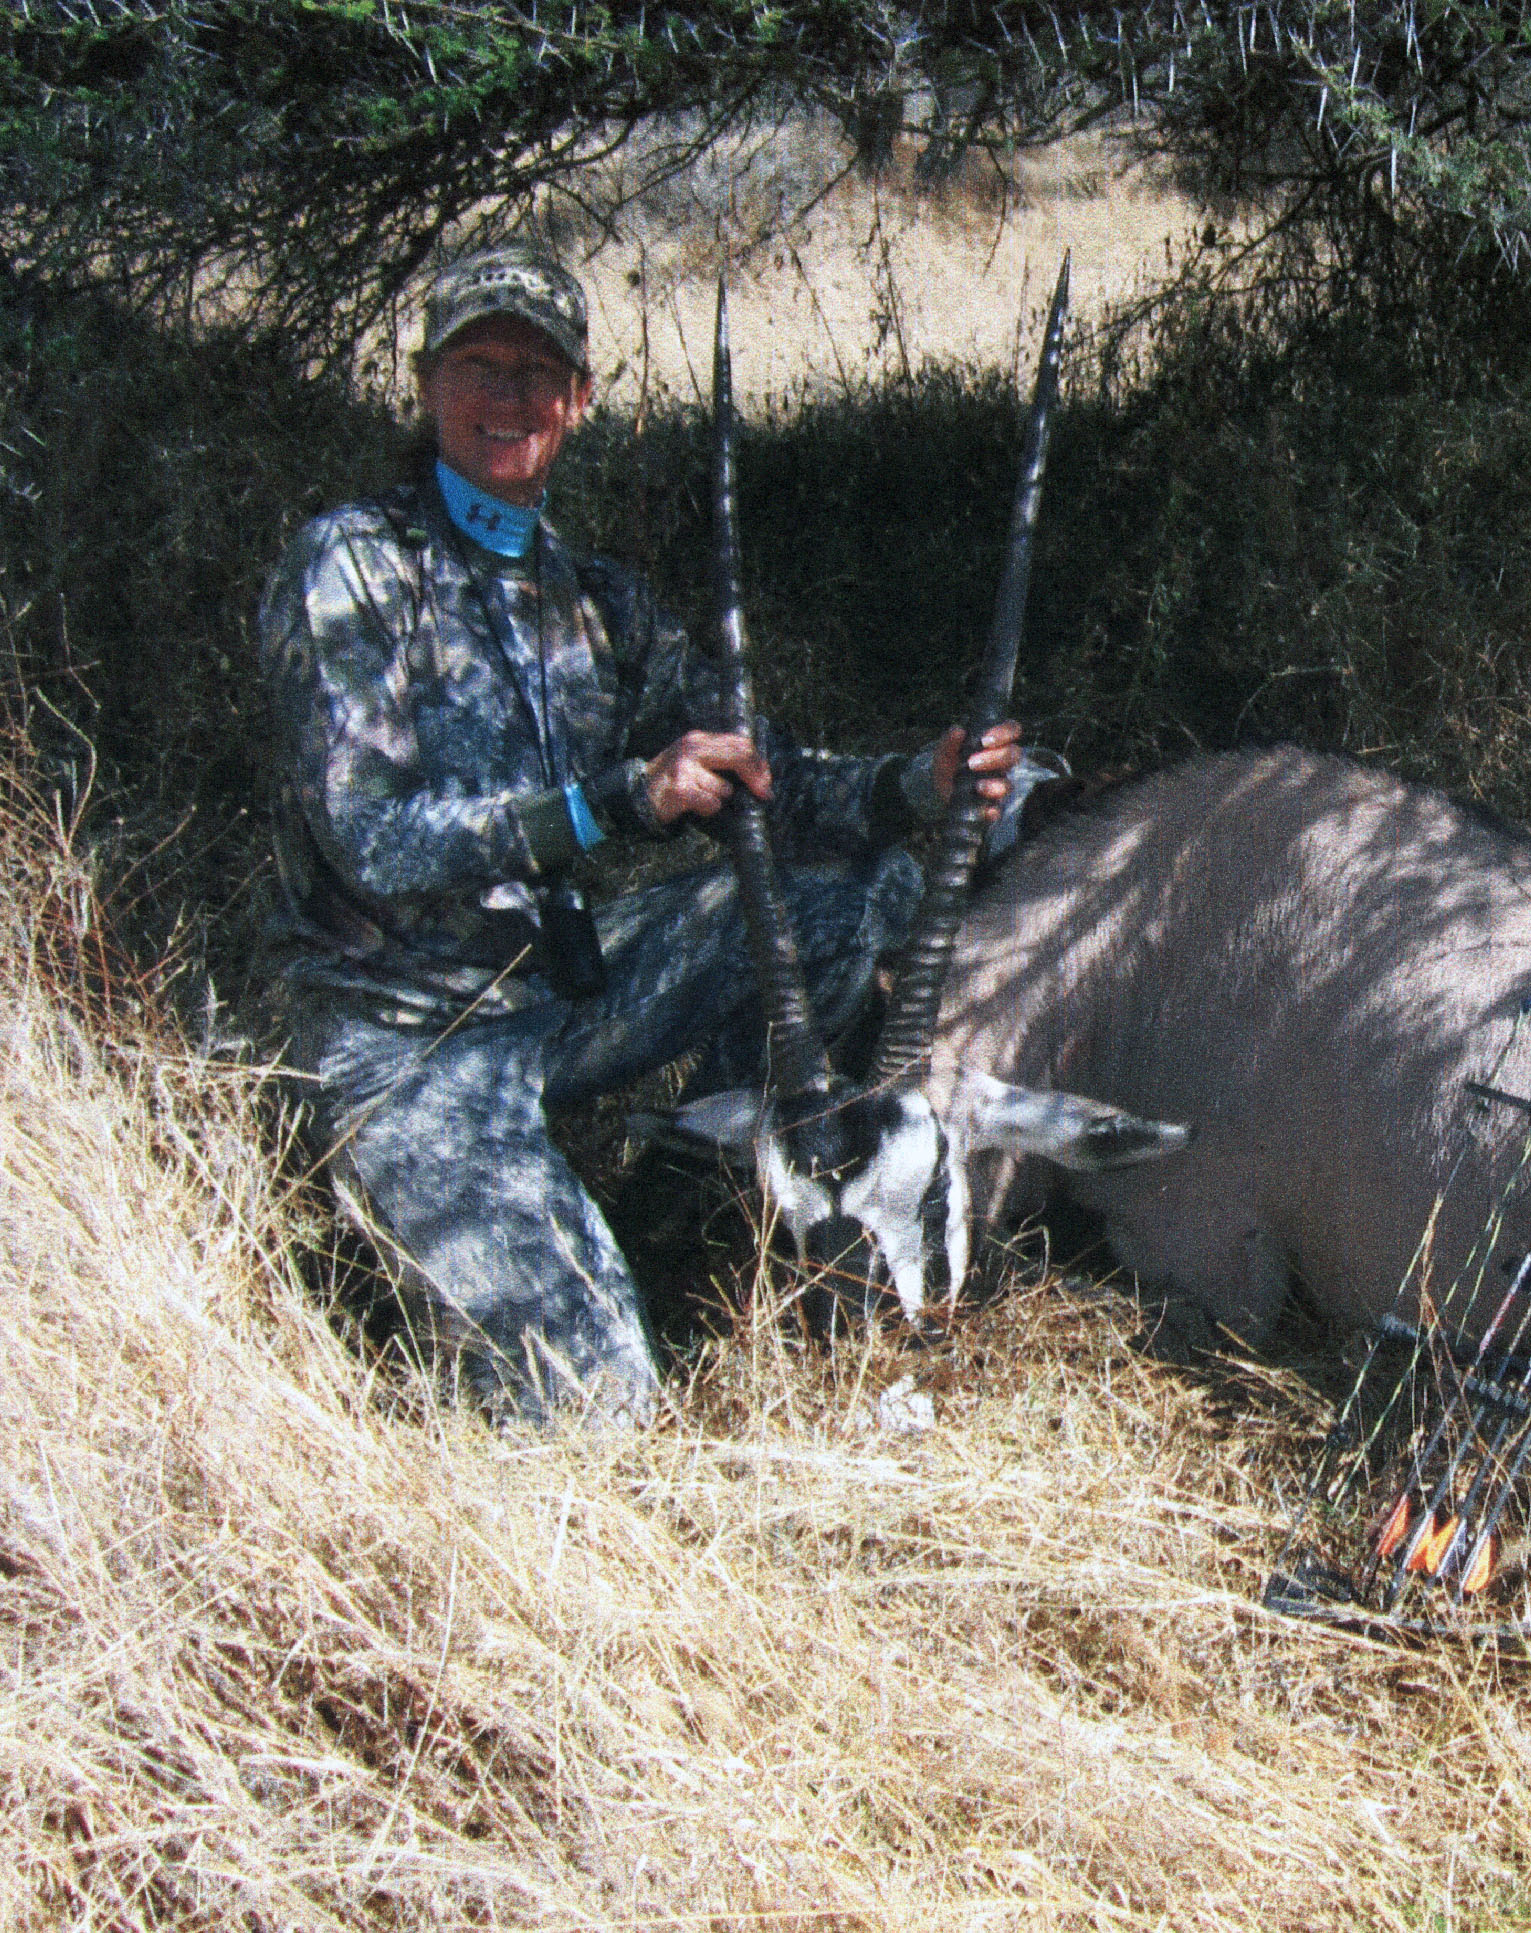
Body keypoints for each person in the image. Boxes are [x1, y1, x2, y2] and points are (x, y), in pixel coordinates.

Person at [260, 243, 1042, 1426]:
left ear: (577, 402)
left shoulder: (596, 600)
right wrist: (615, 801)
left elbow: (756, 777)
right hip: (403, 1037)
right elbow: (374, 840)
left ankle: (705, 1218)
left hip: (553, 992)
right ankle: (564, 1278)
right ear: (425, 384)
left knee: (851, 900)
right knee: (599, 1410)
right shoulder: (353, 566)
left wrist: (916, 786)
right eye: (479, 366)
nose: (508, 400)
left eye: (538, 374)